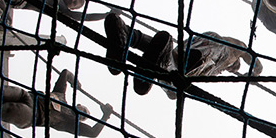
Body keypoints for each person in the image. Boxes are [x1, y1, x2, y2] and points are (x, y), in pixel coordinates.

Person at [103, 13, 262, 96]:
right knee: (177, 77)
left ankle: (127, 34)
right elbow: (249, 54)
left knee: (174, 65)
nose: (234, 69)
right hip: (210, 52)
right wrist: (255, 72)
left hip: (198, 45)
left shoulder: (225, 57)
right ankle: (161, 54)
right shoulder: (232, 54)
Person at [0, 69, 114, 138]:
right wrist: (75, 82)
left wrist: (105, 116)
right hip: (28, 97)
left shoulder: (69, 122)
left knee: (3, 110)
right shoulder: (60, 95)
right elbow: (65, 73)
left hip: (32, 115)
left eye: (83, 117)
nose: (81, 113)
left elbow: (93, 133)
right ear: (78, 105)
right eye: (83, 110)